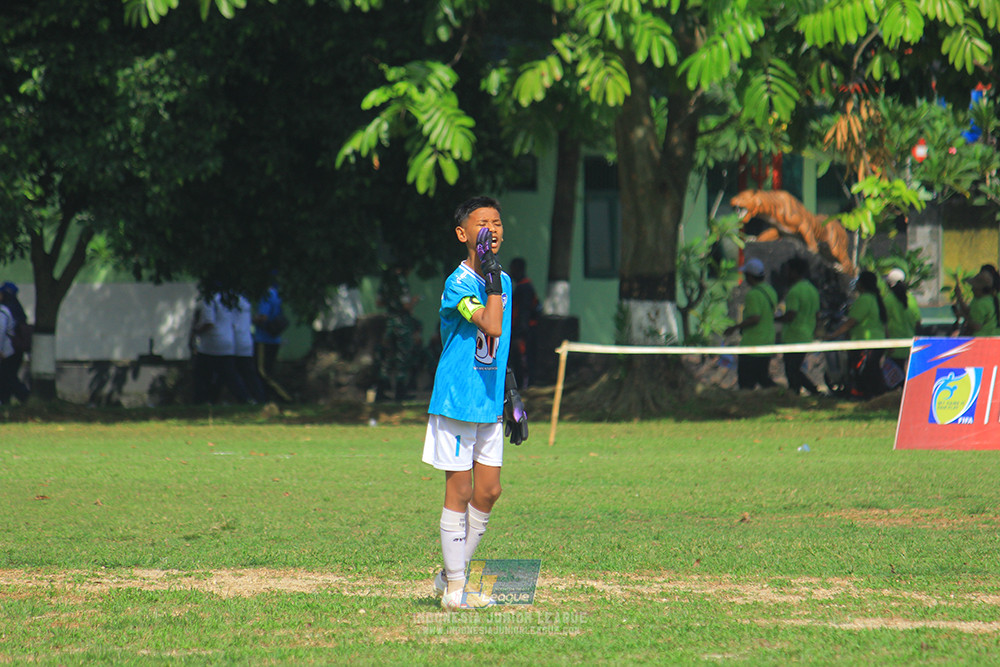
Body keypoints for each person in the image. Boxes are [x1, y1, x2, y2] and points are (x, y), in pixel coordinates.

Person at [422, 195, 528, 611]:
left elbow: (498, 348)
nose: (493, 230)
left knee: (489, 491)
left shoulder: (503, 282)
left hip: (488, 401)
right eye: (483, 223)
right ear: (463, 234)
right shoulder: (459, 284)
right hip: (455, 401)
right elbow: (492, 324)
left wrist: (511, 391)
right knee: (461, 490)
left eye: (498, 222)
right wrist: (493, 276)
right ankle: (454, 590)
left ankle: (449, 577)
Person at [826, 271, 888, 399]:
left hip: (866, 344)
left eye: (858, 281)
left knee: (864, 372)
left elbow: (851, 322)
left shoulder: (864, 299)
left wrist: (833, 335)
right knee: (872, 372)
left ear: (862, 284)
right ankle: (876, 397)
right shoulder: (875, 298)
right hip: (877, 343)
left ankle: (866, 397)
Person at [725, 258, 777, 390]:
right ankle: (780, 394)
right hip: (768, 341)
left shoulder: (753, 294)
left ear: (749, 276)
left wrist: (735, 328)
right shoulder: (770, 290)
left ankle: (780, 394)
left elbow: (755, 318)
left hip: (753, 343)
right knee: (762, 377)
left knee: (746, 381)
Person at [190, 291, 251, 404]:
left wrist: (197, 331)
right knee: (229, 375)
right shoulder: (229, 299)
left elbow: (209, 322)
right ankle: (243, 398)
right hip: (228, 342)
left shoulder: (209, 299)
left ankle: (200, 401)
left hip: (211, 344)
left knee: (201, 375)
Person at [376, 262, 423, 401]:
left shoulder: (386, 282)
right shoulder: (402, 282)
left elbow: (378, 303)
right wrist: (415, 301)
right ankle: (400, 392)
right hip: (401, 324)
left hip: (389, 322)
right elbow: (406, 305)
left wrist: (392, 302)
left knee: (387, 358)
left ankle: (381, 392)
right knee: (403, 358)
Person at [776, 257, 821, 396]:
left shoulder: (794, 291)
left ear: (795, 272)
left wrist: (774, 319)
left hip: (794, 336)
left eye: (788, 271)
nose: (786, 274)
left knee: (791, 369)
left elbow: (790, 315)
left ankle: (802, 393)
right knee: (794, 368)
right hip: (807, 334)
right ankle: (806, 392)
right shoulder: (812, 289)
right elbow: (817, 314)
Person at [253, 279, 292, 402]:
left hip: (264, 339)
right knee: (268, 370)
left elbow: (263, 317)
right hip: (275, 339)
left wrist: (252, 320)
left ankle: (285, 397)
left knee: (262, 371)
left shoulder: (267, 295)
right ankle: (265, 399)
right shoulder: (277, 294)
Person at [508, 257, 541, 388]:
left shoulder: (525, 288)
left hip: (525, 333)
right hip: (522, 332)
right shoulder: (522, 287)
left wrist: (520, 333)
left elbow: (524, 313)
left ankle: (525, 388)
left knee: (524, 362)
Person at [883, 268, 921, 374]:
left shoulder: (887, 300)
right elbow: (918, 322)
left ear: (889, 283)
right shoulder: (911, 298)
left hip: (893, 346)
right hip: (910, 344)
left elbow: (884, 324)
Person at [0, 282, 30, 404]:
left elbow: (1, 331)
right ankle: (5, 401)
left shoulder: (4, 310)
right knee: (6, 378)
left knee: (8, 378)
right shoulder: (17, 309)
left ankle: (26, 398)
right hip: (16, 351)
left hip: (7, 351)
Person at [233, 294, 265, 403]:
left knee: (235, 372)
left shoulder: (233, 300)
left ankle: (247, 398)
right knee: (247, 373)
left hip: (237, 342)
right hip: (245, 341)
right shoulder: (245, 299)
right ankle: (254, 398)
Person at [955, 270, 1000, 336]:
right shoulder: (992, 299)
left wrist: (964, 316)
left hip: (981, 340)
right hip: (994, 338)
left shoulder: (980, 304)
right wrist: (959, 298)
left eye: (974, 287)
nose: (972, 289)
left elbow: (976, 326)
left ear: (980, 289)